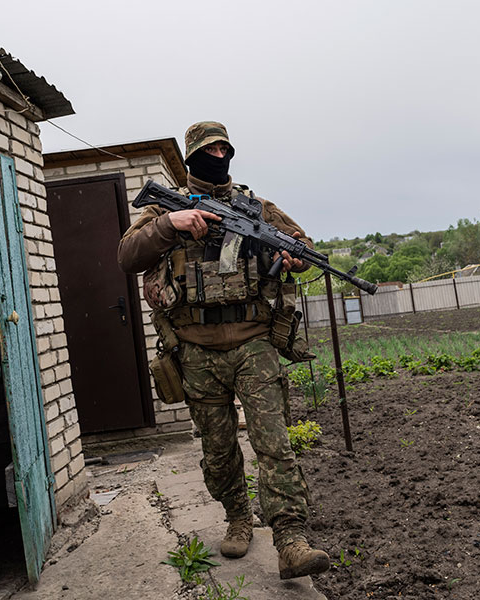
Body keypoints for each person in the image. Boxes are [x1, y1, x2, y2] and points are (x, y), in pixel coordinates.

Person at [117, 121, 330, 580]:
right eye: (209, 148)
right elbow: (127, 255)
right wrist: (171, 225)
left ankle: (290, 539)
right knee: (217, 450)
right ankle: (237, 515)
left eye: (223, 147)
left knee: (274, 444)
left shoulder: (255, 207)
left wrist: (293, 257)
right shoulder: (163, 206)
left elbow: (303, 244)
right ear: (192, 154)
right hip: (195, 350)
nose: (218, 154)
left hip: (254, 342)